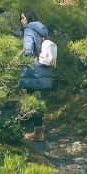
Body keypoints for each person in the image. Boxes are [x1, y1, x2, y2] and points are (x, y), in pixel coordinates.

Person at [16, 8, 52, 141]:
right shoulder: (42, 29)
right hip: (42, 66)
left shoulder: (29, 30)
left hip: (33, 69)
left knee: (33, 99)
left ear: (29, 19)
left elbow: (27, 50)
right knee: (37, 99)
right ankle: (38, 130)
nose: (21, 21)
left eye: (23, 18)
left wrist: (20, 59)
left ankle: (38, 133)